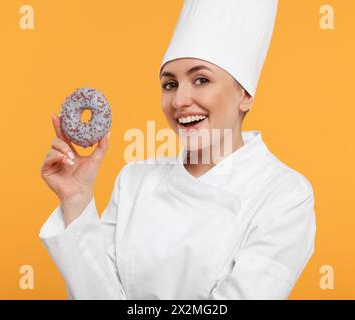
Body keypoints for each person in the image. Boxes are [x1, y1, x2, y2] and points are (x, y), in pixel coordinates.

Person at [39, 0, 316, 299]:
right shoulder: (134, 179)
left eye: (201, 79)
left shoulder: (284, 194)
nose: (179, 100)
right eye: (169, 84)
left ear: (245, 94)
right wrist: (76, 201)